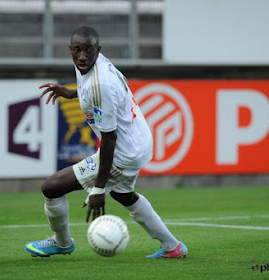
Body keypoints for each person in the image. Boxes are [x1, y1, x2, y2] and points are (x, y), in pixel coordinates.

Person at [25, 26, 188, 259]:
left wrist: (98, 189)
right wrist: (70, 93)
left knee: (51, 188)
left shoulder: (102, 84)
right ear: (71, 50)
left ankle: (62, 243)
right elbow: (89, 90)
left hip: (123, 151)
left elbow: (109, 138)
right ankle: (173, 247)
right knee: (123, 194)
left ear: (97, 50)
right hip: (138, 141)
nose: (82, 56)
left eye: (88, 51)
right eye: (77, 50)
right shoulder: (90, 64)